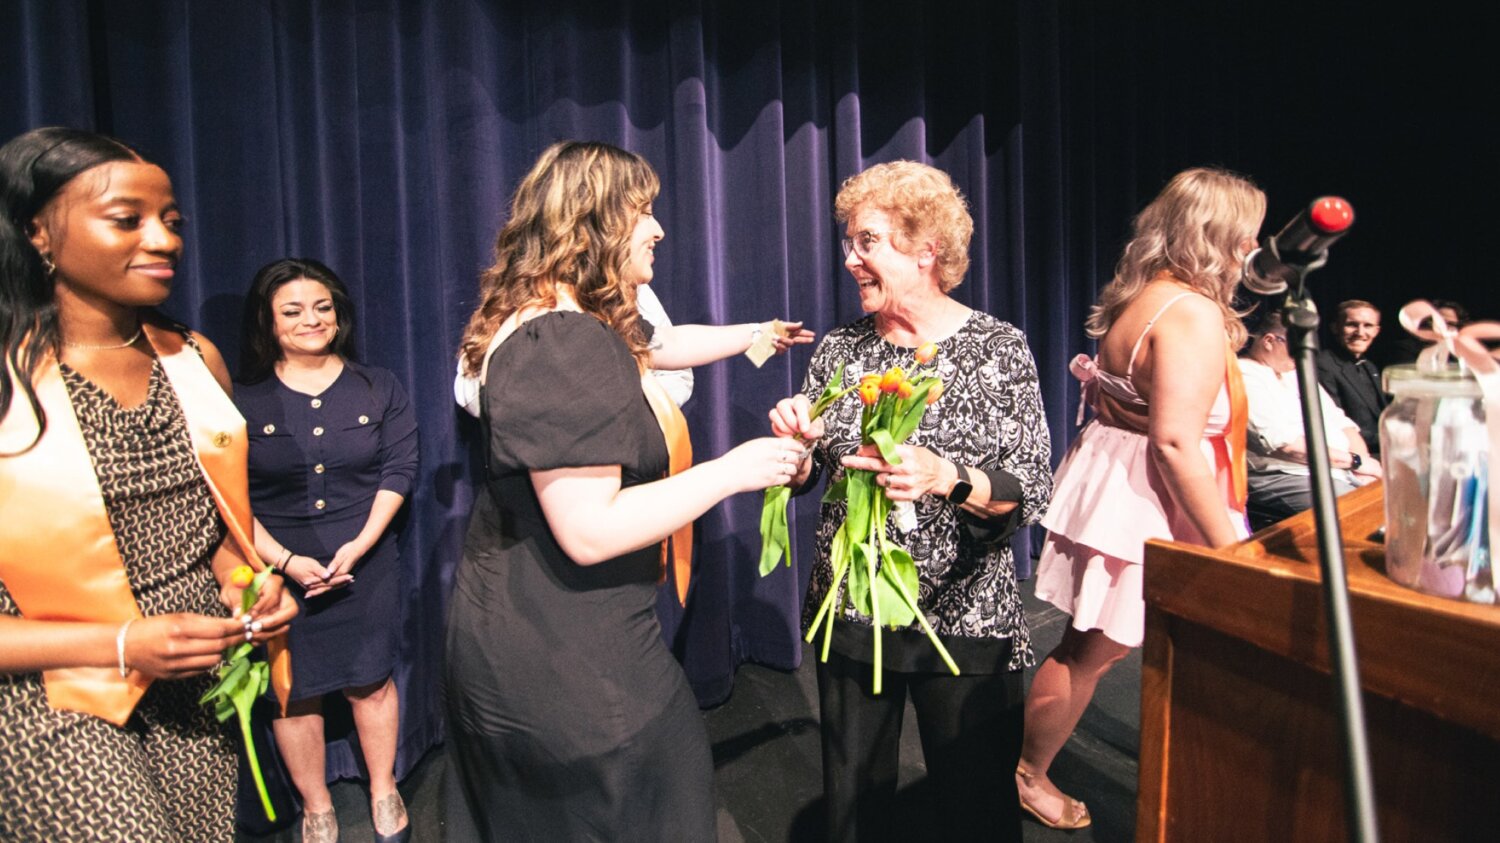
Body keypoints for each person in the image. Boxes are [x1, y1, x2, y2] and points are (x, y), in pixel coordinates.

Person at [445, 140, 807, 841]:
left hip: (539, 620)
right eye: (643, 212)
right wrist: (734, 469)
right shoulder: (563, 342)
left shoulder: (573, 320)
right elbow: (590, 531)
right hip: (564, 652)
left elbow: (665, 346)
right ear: (595, 224)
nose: (659, 229)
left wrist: (756, 336)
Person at [0, 126, 297, 842]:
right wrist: (123, 642)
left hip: (195, 671)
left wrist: (251, 586)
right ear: (40, 230)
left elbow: (216, 533)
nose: (163, 240)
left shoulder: (195, 358)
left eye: (171, 221)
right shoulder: (9, 382)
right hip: (57, 692)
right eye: (127, 219)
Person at [770, 160, 1053, 842]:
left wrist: (945, 477)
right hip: (852, 606)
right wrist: (797, 453)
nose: (849, 259)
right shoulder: (842, 350)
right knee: (854, 810)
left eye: (866, 241)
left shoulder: (997, 347)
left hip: (963, 615)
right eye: (848, 242)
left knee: (975, 808)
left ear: (926, 249)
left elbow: (1031, 487)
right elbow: (813, 476)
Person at [1017, 167, 1264, 829]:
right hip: (1148, 500)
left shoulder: (1146, 293)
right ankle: (1027, 774)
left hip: (1122, 484)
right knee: (1091, 649)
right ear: (1221, 238)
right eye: (1248, 238)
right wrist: (1236, 551)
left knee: (1098, 646)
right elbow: (1177, 444)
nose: (1253, 253)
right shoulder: (1190, 314)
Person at [234, 258, 419, 843]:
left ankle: (383, 786)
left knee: (371, 679)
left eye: (323, 307)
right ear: (268, 322)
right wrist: (284, 563)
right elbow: (231, 499)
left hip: (367, 563)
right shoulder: (242, 399)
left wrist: (360, 546)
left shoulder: (378, 385)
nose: (311, 320)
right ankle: (316, 805)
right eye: (292, 311)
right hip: (276, 571)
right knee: (294, 692)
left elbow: (400, 468)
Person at [1239, 307, 1381, 530]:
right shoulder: (1246, 375)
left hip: (1338, 468)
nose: (1303, 357)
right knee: (1364, 521)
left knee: (1397, 506)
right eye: (1297, 348)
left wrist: (1363, 467)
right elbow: (1287, 447)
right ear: (1269, 341)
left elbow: (1342, 423)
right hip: (1287, 474)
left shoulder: (1294, 373)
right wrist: (1356, 461)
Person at [1315, 299, 1387, 456]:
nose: (1360, 333)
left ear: (1377, 330)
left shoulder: (1369, 366)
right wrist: (1391, 439)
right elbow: (1334, 424)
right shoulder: (1323, 365)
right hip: (1354, 455)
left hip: (1382, 450)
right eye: (1352, 325)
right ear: (1335, 328)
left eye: (1368, 325)